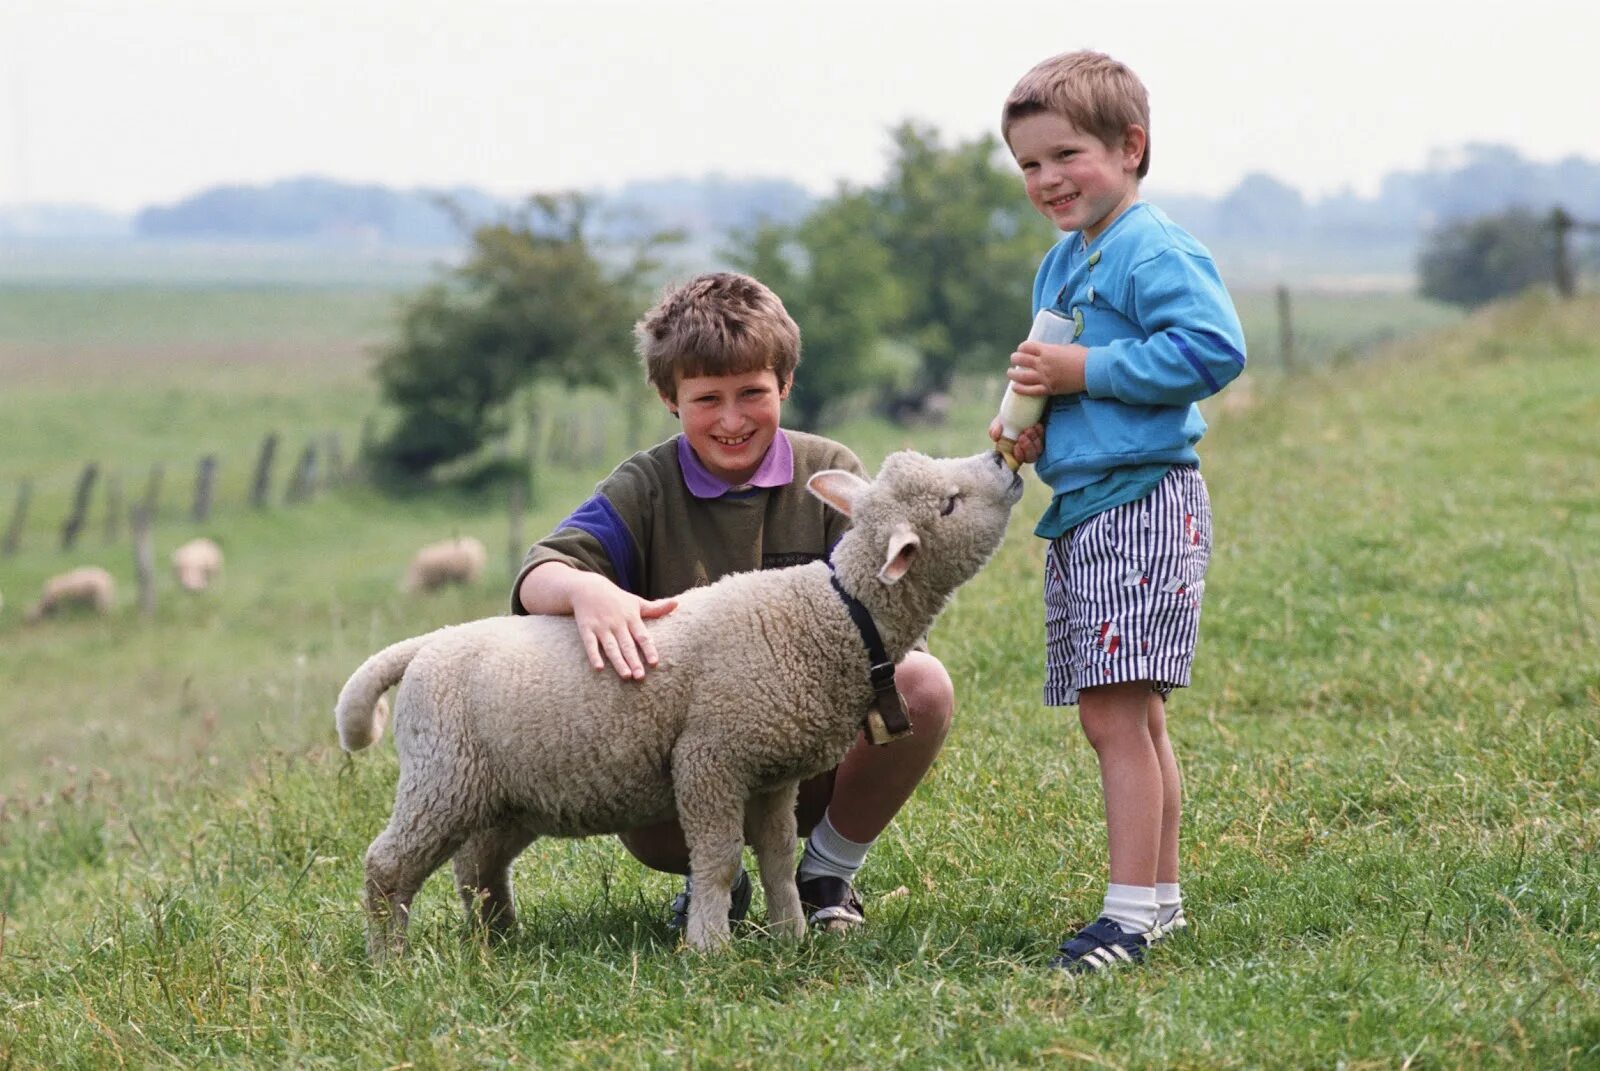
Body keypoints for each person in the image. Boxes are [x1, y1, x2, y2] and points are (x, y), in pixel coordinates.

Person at [512, 271, 956, 934]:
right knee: (674, 800)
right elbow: (537, 572)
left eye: (753, 393)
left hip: (815, 755)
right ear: (669, 397)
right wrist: (586, 588)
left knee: (923, 683)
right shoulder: (647, 487)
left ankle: (825, 873)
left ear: (786, 385)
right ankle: (716, 880)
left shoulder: (827, 469)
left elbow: (893, 602)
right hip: (683, 769)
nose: (731, 419)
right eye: (706, 398)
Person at [989, 50, 1247, 973]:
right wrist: (1033, 427)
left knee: (1114, 714)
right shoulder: (1062, 265)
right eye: (1028, 165)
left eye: (1067, 156)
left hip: (1145, 501)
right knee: (1135, 715)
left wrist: (1082, 372)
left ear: (1131, 146)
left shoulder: (1154, 247)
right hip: (1090, 504)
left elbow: (1213, 349)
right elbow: (1062, 381)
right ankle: (1161, 899)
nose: (1048, 179)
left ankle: (1128, 913)